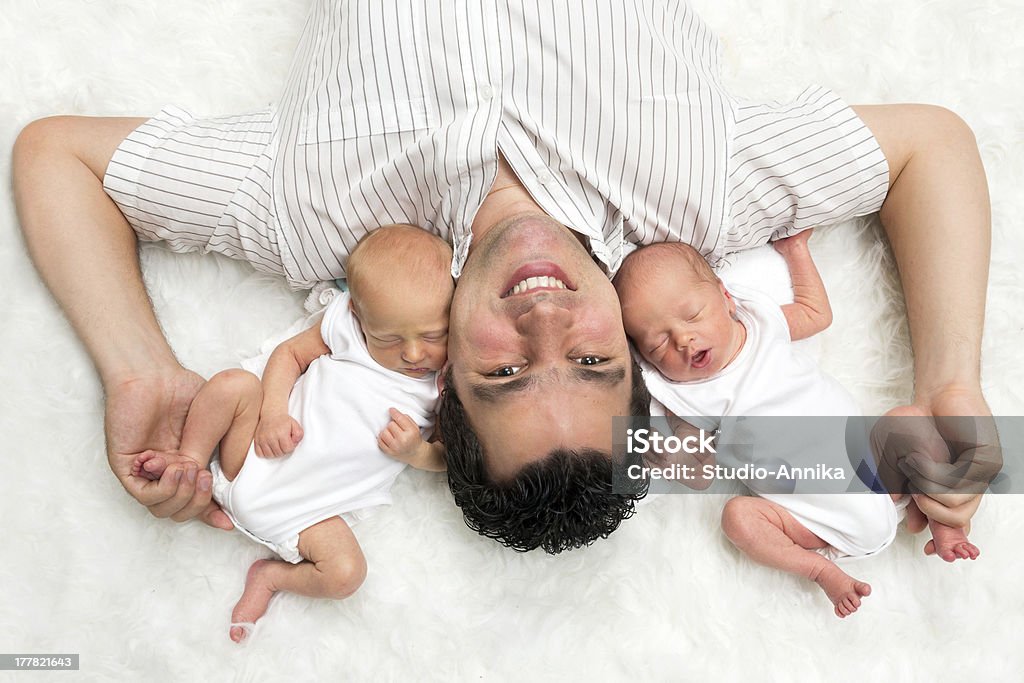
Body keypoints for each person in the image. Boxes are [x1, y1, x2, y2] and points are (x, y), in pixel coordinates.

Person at [11, 1, 997, 553]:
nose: (544, 322)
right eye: (594, 361)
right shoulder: (699, 204)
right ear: (638, 357)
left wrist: (140, 370)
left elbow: (56, 158)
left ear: (441, 385)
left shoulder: (314, 223)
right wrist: (952, 378)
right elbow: (931, 148)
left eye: (505, 377)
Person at [614, 232, 979, 617]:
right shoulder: (684, 396)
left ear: (725, 298)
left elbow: (815, 313)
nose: (684, 340)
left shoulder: (760, 325)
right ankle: (821, 570)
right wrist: (662, 449)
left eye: (692, 316)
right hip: (808, 516)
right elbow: (698, 473)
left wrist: (796, 253)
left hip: (873, 471)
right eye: (658, 345)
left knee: (909, 421)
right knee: (738, 519)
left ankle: (944, 522)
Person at [129, 225, 452, 641]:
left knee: (346, 575)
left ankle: (271, 577)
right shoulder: (347, 331)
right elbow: (290, 354)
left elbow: (447, 458)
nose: (412, 353)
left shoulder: (444, 385)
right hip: (245, 456)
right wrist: (273, 415)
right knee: (233, 385)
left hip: (309, 513)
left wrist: (417, 453)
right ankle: (189, 462)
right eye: (389, 338)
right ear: (358, 314)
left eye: (432, 336)